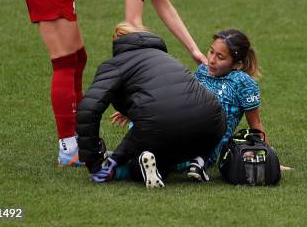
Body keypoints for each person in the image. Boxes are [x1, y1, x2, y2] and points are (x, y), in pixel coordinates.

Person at [21, 0, 207, 166]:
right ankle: (68, 149)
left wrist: (193, 50)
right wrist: (158, 72)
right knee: (65, 63)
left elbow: (165, 8)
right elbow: (132, 24)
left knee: (77, 59)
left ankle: (75, 140)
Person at [110, 28, 271, 182]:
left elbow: (255, 123)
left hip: (206, 148)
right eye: (211, 51)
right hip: (182, 129)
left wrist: (266, 155)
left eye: (220, 57)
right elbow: (181, 102)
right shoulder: (202, 71)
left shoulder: (244, 83)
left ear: (237, 64)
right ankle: (133, 162)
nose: (212, 60)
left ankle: (115, 169)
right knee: (144, 125)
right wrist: (133, 113)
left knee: (152, 152)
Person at [76, 23, 226, 188]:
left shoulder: (113, 65)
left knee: (142, 152)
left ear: (117, 44)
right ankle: (197, 160)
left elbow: (88, 110)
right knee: (165, 141)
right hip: (211, 123)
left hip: (160, 126)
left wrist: (93, 162)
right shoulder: (166, 58)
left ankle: (121, 168)